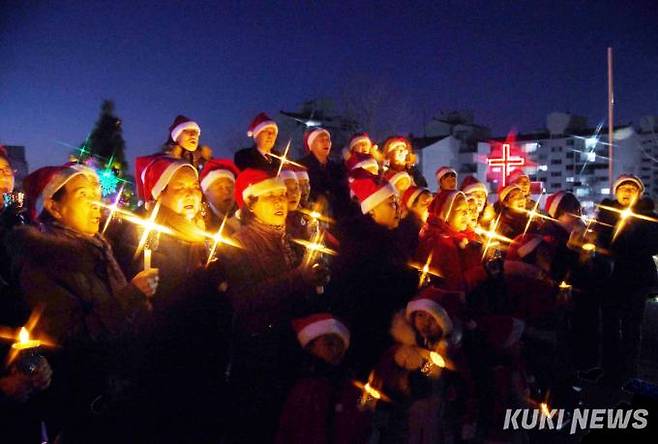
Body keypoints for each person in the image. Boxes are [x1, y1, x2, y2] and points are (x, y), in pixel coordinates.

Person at [9, 165, 157, 442]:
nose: (96, 204)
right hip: (86, 403)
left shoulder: (97, 246)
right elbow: (67, 337)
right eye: (83, 195)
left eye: (98, 194)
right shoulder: (44, 260)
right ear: (54, 207)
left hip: (121, 390)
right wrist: (131, 296)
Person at [222, 168, 330, 443]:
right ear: (251, 203)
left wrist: (315, 279)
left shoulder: (288, 238)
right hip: (260, 353)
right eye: (270, 197)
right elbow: (245, 300)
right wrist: (298, 278)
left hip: (289, 346)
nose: (280, 202)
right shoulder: (239, 243)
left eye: (282, 195)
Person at [331, 170, 417, 378]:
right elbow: (375, 293)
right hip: (371, 338)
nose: (398, 208)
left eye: (397, 202)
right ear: (371, 211)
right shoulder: (360, 246)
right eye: (390, 203)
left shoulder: (390, 237)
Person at [373, 288, 477, 443]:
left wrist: (468, 419)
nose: (426, 323)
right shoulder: (399, 352)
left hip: (439, 422)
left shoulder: (452, 355)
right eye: (421, 315)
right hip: (403, 422)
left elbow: (467, 387)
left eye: (433, 318)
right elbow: (380, 380)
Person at [595, 174, 658, 385]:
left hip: (637, 278)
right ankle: (609, 370)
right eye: (624, 188)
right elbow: (597, 241)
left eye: (633, 188)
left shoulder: (649, 217)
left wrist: (635, 232)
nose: (628, 191)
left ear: (639, 193)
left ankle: (630, 371)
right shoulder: (605, 214)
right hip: (610, 278)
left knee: (632, 326)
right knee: (610, 326)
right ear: (616, 192)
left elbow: (654, 245)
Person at [276, 313, 371, 444]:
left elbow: (361, 414)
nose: (337, 350)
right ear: (311, 346)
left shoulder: (349, 383)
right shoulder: (303, 387)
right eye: (330, 344)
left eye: (341, 345)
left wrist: (369, 403)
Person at [199, 158, 240, 234]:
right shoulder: (203, 226)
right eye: (219, 188)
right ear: (206, 193)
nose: (226, 191)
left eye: (230, 186)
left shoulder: (247, 216)